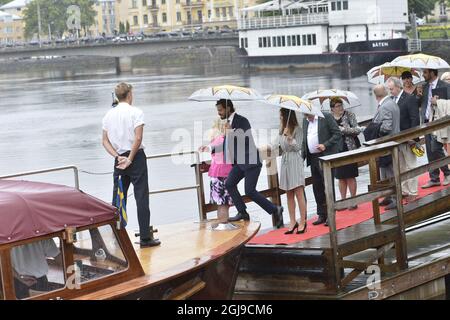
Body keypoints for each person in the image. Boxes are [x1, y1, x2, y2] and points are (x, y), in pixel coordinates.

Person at [204, 99, 284, 227]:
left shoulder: (242, 120)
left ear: (228, 108)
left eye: (220, 110)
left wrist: (230, 132)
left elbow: (245, 139)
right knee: (229, 184)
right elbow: (226, 145)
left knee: (250, 191)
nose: (219, 113)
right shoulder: (228, 124)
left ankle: (275, 209)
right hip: (240, 164)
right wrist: (210, 148)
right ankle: (243, 212)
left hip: (251, 162)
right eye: (218, 110)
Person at [102, 82, 161, 248]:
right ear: (129, 95)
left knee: (118, 198)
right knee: (141, 197)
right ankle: (145, 238)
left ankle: (118, 238)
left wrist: (118, 156)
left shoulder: (108, 115)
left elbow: (104, 141)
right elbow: (138, 138)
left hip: (119, 159)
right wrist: (130, 158)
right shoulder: (136, 112)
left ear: (116, 96)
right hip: (136, 158)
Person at [267, 109, 307, 234]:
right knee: (289, 193)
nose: (280, 118)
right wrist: (264, 147)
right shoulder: (281, 130)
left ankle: (302, 221)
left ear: (286, 116)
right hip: (285, 162)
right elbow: (274, 145)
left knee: (299, 192)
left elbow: (299, 146)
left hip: (295, 160)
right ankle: (292, 221)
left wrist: (290, 138)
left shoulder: (297, 129)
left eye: (281, 116)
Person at [302, 111, 342, 226]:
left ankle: (331, 214)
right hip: (313, 157)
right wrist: (302, 157)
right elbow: (305, 140)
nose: (307, 118)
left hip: (325, 156)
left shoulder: (326, 117)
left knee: (328, 186)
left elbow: (337, 134)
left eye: (308, 116)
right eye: (305, 116)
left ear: (312, 112)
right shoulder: (305, 121)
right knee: (317, 186)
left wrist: (325, 145)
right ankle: (321, 214)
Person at [386, 77, 420, 203]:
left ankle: (413, 192)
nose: (390, 91)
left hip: (408, 138)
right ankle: (404, 190)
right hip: (396, 139)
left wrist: (412, 137)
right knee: (400, 167)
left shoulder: (409, 98)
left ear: (398, 87)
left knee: (411, 165)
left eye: (392, 89)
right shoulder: (391, 100)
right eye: (389, 89)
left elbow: (415, 119)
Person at [329, 97, 363, 211]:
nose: (341, 108)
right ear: (332, 109)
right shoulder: (329, 118)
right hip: (336, 150)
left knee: (350, 175)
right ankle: (343, 201)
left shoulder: (350, 115)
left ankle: (353, 201)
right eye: (338, 106)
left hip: (349, 148)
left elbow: (357, 130)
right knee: (340, 177)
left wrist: (343, 130)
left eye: (341, 105)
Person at [199, 118, 234, 222]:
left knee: (221, 205)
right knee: (224, 204)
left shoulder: (217, 139)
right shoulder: (223, 139)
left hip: (216, 174)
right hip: (224, 175)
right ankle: (223, 225)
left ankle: (222, 225)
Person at [372, 85, 401, 209]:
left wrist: (374, 128)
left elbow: (387, 127)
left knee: (390, 172)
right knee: (385, 171)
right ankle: (388, 196)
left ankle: (395, 198)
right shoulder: (392, 102)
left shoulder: (384, 106)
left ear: (376, 96)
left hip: (388, 144)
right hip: (392, 142)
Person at [421, 69, 450, 188]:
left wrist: (438, 102)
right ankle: (434, 178)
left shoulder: (445, 85)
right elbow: (420, 104)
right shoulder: (424, 87)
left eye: (425, 72)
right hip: (427, 122)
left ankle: (448, 173)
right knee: (429, 150)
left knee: (436, 148)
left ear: (432, 73)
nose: (423, 75)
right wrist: (418, 96)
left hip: (439, 121)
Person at [431, 72, 450, 155]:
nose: (449, 81)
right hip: (441, 124)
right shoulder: (440, 91)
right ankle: (445, 167)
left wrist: (438, 102)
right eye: (447, 79)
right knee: (436, 149)